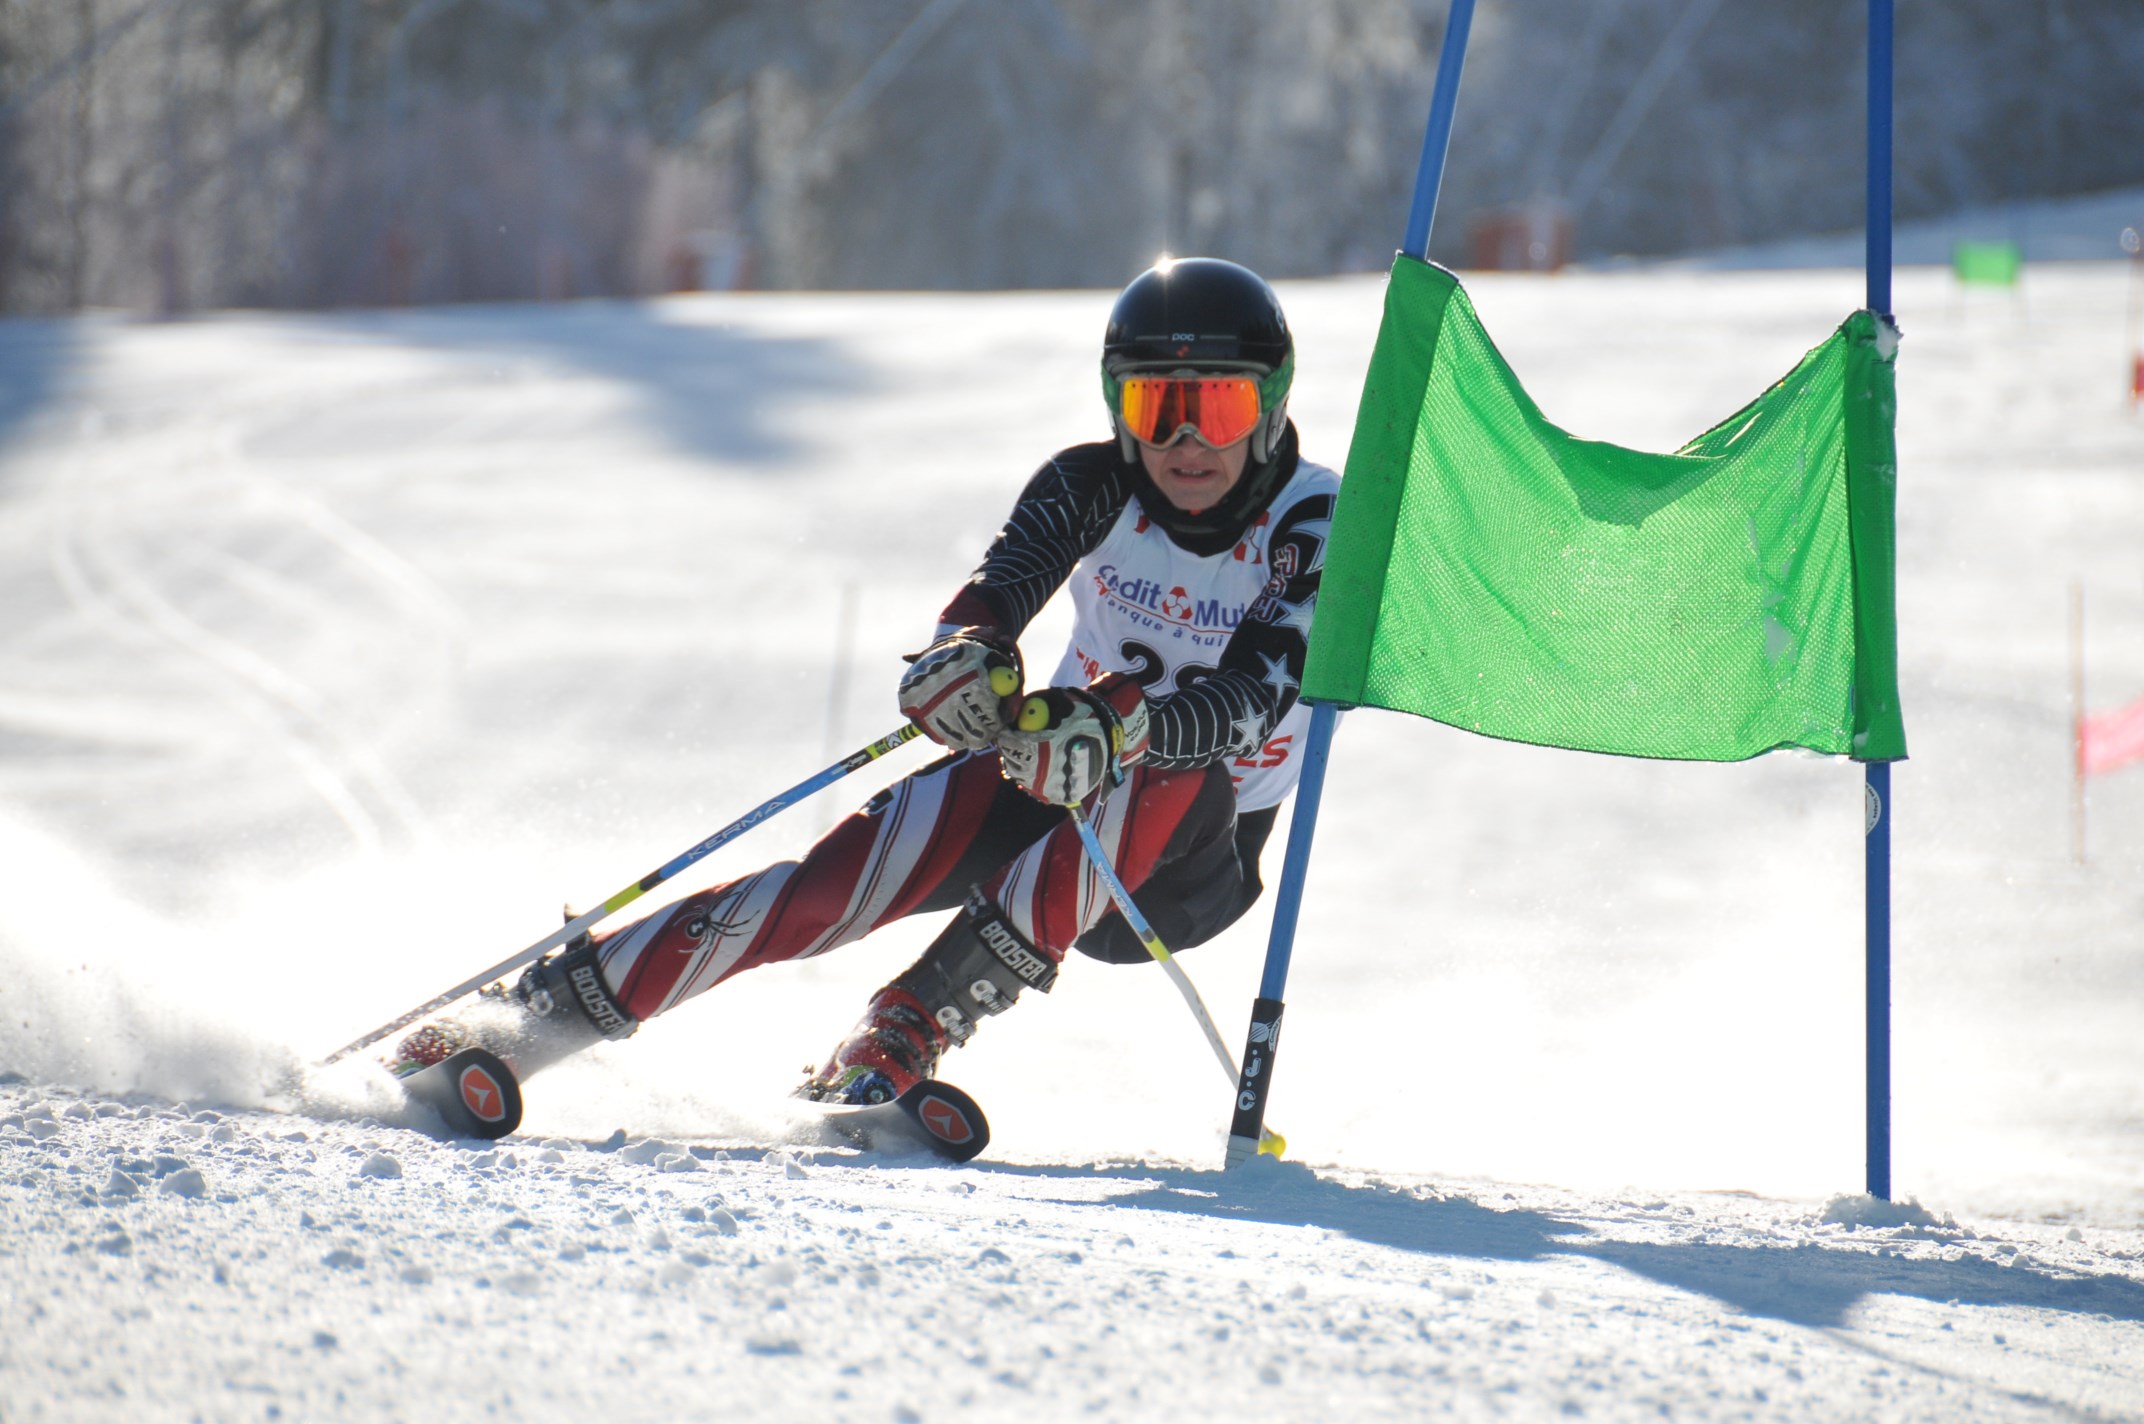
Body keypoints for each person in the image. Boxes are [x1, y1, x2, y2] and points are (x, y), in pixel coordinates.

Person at [397, 257, 1339, 1106]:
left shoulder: (1317, 520)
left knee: (1163, 763)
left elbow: (1255, 697)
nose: (1185, 440)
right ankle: (547, 1008)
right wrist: (964, 660)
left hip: (1185, 859)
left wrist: (1123, 727)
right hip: (1056, 769)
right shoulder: (1092, 483)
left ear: (1270, 404)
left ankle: (910, 1024)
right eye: (1153, 407)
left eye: (1219, 407)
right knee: (827, 885)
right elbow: (999, 589)